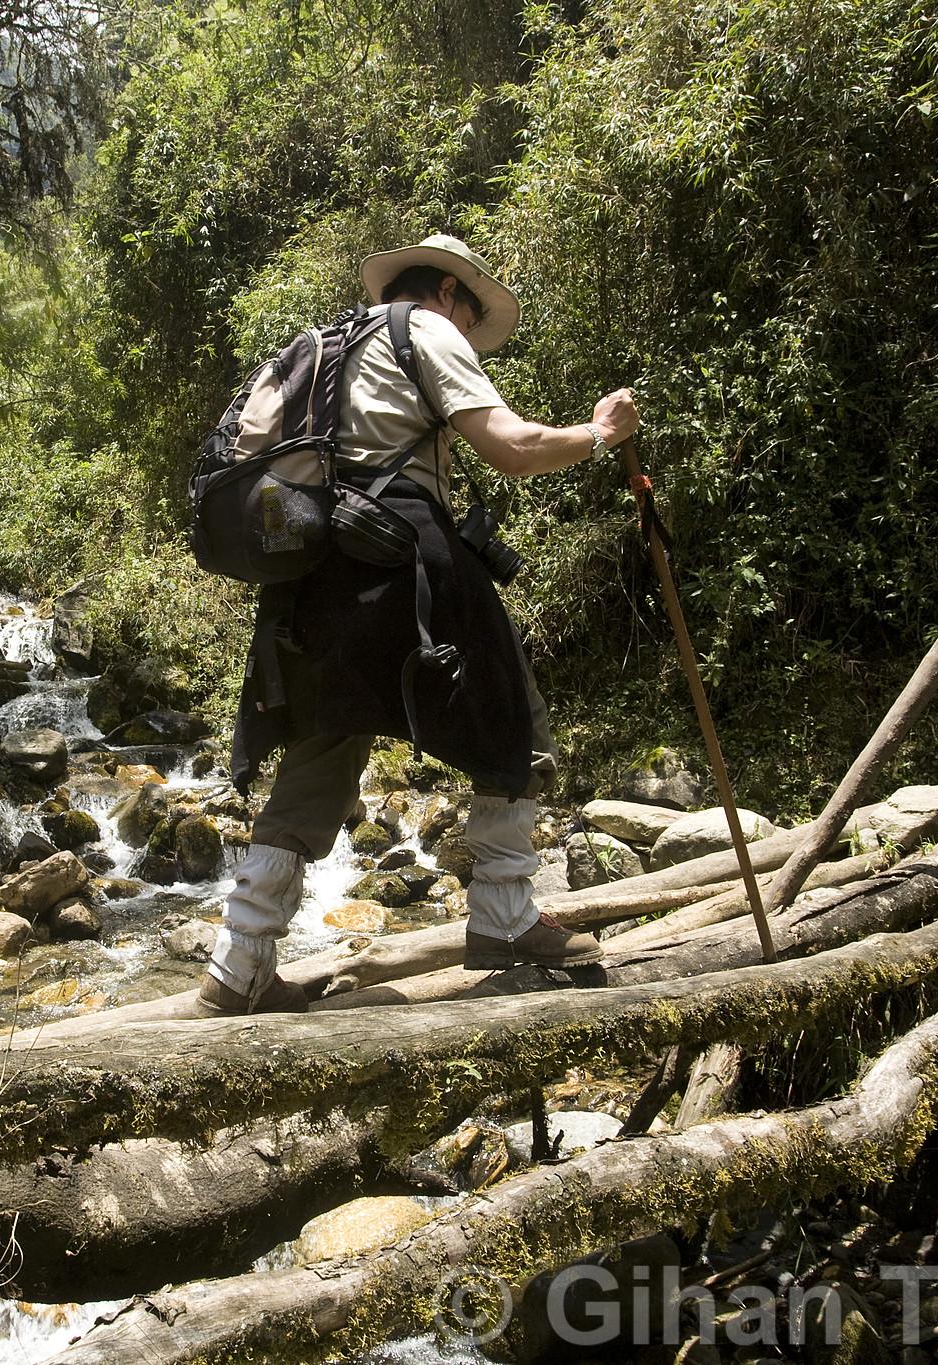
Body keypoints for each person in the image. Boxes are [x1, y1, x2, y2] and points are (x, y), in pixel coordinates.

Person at [201, 233, 642, 1016]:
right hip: (402, 557)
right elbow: (509, 447)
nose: (471, 338)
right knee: (514, 721)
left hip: (312, 575)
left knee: (317, 756)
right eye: (471, 320)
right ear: (446, 294)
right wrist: (599, 433)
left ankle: (237, 969)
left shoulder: (323, 347)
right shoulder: (425, 328)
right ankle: (504, 917)